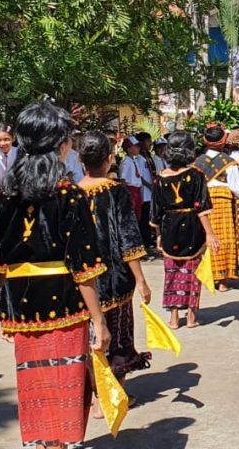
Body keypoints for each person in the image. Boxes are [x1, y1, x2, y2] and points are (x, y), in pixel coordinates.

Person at [0, 101, 109, 448]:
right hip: (67, 307)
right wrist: (99, 321)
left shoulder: (7, 196)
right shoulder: (69, 195)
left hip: (24, 310)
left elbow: (1, 264)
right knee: (66, 388)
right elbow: (83, 268)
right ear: (62, 144)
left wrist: (6, 314)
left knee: (35, 390)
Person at [75, 132, 152, 393]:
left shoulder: (70, 193)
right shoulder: (116, 191)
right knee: (118, 336)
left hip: (83, 280)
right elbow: (128, 237)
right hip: (115, 278)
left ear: (79, 159)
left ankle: (97, 397)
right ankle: (116, 393)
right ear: (110, 159)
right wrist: (141, 280)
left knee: (92, 336)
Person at [152, 131, 219, 330]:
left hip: (169, 227)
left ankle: (173, 318)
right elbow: (201, 208)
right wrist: (209, 233)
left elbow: (156, 212)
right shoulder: (196, 175)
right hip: (192, 227)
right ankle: (190, 317)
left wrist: (158, 236)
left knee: (172, 271)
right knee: (192, 271)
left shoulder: (160, 178)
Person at [195, 125, 239, 292]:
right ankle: (223, 281)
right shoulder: (229, 162)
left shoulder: (197, 162)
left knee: (206, 238)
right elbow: (236, 188)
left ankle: (208, 275)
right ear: (223, 141)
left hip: (203, 203)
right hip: (223, 202)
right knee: (224, 239)